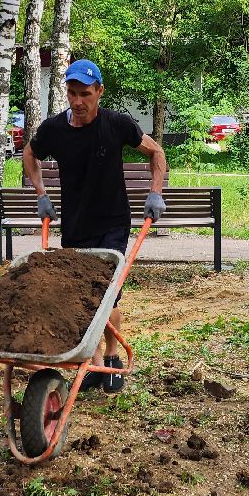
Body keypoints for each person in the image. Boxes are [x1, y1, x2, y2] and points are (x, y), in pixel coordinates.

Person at [23, 59, 167, 390]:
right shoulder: (54, 130)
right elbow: (30, 155)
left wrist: (155, 193)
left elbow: (155, 152)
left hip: (113, 223)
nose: (77, 101)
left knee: (107, 295)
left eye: (85, 94)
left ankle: (113, 356)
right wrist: (41, 194)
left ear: (99, 92)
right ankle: (96, 363)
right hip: (75, 226)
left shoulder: (116, 124)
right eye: (72, 93)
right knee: (80, 297)